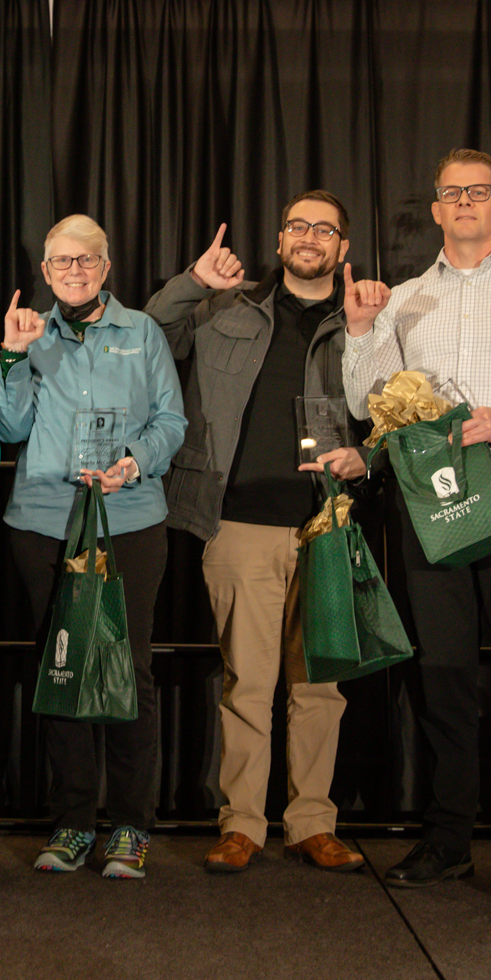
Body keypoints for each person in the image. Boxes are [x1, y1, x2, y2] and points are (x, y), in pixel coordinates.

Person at [342, 148, 491, 904]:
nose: (468, 203)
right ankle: (449, 840)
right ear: (437, 209)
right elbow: (365, 400)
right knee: (441, 675)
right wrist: (357, 330)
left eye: (481, 192)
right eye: (453, 194)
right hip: (428, 488)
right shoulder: (404, 300)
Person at [144, 194, 371, 874]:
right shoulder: (224, 307)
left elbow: (392, 406)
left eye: (324, 229)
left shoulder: (361, 320)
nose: (309, 238)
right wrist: (193, 282)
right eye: (298, 226)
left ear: (341, 246)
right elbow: (151, 334)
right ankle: (242, 822)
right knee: (248, 682)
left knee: (320, 686)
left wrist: (371, 459)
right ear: (279, 240)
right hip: (239, 523)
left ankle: (311, 822)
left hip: (329, 525)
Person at [0, 215, 187, 879]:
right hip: (45, 522)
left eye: (86, 261)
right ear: (45, 273)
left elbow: (172, 420)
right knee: (64, 666)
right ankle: (74, 822)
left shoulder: (142, 332)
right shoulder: (30, 332)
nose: (74, 271)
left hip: (129, 518)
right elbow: (7, 424)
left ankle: (131, 825)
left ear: (106, 268)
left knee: (129, 669)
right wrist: (14, 358)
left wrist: (133, 462)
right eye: (61, 262)